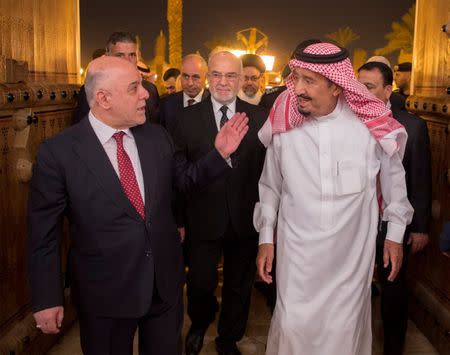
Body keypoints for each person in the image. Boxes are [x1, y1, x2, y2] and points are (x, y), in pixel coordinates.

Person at [28, 56, 249, 355]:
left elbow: (184, 182)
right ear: (104, 98)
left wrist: (218, 154)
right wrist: (47, 297)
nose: (146, 93)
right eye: (135, 88)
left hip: (164, 286)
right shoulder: (59, 153)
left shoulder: (156, 136)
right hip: (104, 294)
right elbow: (44, 234)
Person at [254, 42, 413, 355]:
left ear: (337, 86)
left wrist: (394, 235)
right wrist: (265, 238)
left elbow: (394, 180)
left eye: (308, 80)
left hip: (350, 261)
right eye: (295, 77)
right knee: (291, 328)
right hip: (297, 258)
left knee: (343, 336)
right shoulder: (285, 120)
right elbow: (270, 186)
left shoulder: (370, 123)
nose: (296, 88)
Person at [175, 51, 267, 355]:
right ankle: (200, 324)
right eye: (216, 74)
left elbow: (268, 172)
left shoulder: (259, 118)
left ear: (240, 79)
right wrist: (179, 220)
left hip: (245, 218)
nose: (223, 82)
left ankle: (229, 338)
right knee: (200, 284)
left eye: (230, 76)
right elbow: (179, 177)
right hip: (202, 218)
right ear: (207, 77)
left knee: (239, 287)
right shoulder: (185, 119)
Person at [358, 59, 432, 355]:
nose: (361, 94)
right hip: (357, 220)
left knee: (393, 291)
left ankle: (392, 348)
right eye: (357, 86)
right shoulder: (351, 123)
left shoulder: (412, 126)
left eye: (370, 87)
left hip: (393, 223)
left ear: (388, 90)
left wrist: (421, 228)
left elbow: (421, 180)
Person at [73, 31, 160, 125]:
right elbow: (83, 131)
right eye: (120, 55)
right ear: (107, 56)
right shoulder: (91, 91)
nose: (127, 61)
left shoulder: (150, 90)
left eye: (132, 55)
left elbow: (155, 129)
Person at [160, 54, 209, 135]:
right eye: (185, 76)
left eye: (195, 77)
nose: (190, 83)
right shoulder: (166, 105)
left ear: (206, 77)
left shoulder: (216, 104)